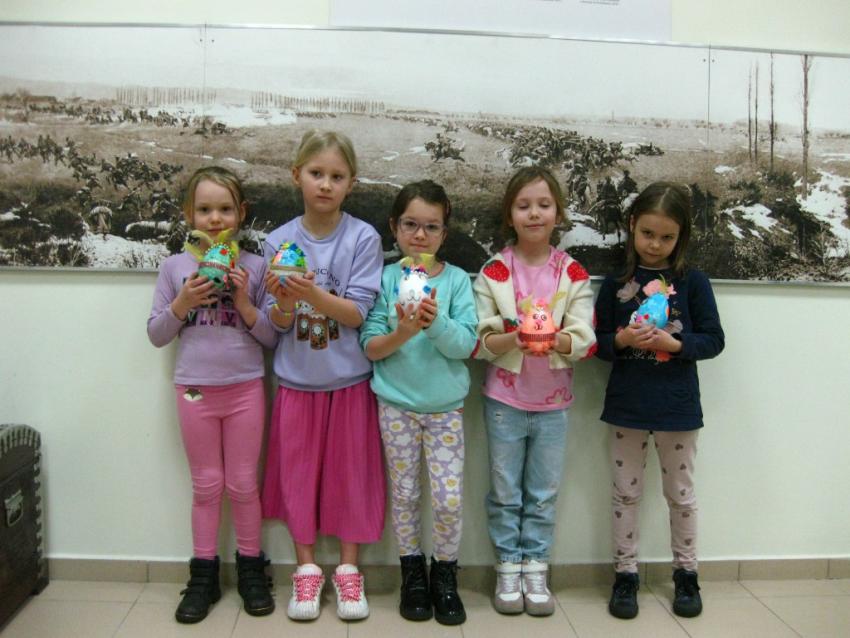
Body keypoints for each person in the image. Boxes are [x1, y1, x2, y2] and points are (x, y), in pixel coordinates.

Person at [261, 130, 385, 622]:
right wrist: (285, 304)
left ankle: (349, 571)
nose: (326, 185)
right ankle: (307, 569)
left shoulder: (363, 238)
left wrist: (309, 293)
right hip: (296, 382)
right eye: (317, 174)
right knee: (297, 478)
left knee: (351, 478)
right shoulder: (278, 241)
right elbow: (276, 323)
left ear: (351, 182)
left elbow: (356, 313)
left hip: (350, 381)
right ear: (297, 176)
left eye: (337, 176)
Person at [147, 166, 276, 624]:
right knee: (206, 486)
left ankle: (251, 568)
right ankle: (203, 574)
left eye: (225, 209)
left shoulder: (255, 266)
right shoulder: (174, 267)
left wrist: (243, 303)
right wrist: (182, 303)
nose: (215, 219)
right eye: (204, 209)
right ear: (190, 214)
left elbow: (272, 339)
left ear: (241, 213)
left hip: (245, 389)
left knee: (242, 484)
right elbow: (156, 335)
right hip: (195, 391)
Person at [594, 182, 724, 620]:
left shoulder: (693, 282)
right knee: (624, 494)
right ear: (632, 225)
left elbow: (714, 340)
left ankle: (686, 574)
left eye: (667, 237)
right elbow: (598, 344)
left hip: (677, 407)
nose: (655, 244)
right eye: (648, 233)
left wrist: (676, 343)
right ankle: (625, 575)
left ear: (681, 236)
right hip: (627, 405)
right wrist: (623, 339)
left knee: (681, 495)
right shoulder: (616, 283)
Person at [473, 166, 596, 616]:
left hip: (554, 405)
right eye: (523, 206)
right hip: (503, 402)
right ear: (510, 214)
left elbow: (585, 338)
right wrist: (516, 338)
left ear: (558, 213)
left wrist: (553, 339)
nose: (534, 213)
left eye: (544, 205)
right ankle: (508, 566)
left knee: (543, 493)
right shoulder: (494, 271)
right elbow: (480, 341)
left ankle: (536, 567)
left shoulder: (572, 272)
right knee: (505, 492)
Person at [360, 181, 477, 625]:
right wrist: (403, 332)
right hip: (396, 405)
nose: (420, 235)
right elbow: (370, 346)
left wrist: (434, 322)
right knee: (405, 494)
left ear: (444, 233)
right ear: (395, 227)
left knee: (448, 498)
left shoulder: (457, 281)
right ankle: (412, 574)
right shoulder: (386, 279)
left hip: (445, 407)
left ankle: (444, 574)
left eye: (431, 227)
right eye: (411, 225)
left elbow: (466, 344)